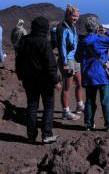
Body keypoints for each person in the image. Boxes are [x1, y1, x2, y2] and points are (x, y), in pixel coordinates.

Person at [16, 16, 61, 144]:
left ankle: (31, 135)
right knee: (48, 106)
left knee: (32, 106)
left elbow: (18, 61)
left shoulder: (24, 40)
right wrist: (56, 81)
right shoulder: (44, 42)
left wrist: (21, 75)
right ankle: (47, 134)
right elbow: (50, 64)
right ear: (45, 28)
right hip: (44, 81)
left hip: (28, 80)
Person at [79, 16, 109, 132]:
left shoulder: (82, 42)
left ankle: (88, 125)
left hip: (87, 74)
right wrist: (108, 32)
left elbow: (77, 58)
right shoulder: (100, 40)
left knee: (89, 100)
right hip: (101, 74)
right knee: (105, 99)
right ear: (97, 28)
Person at [57, 4, 84, 120]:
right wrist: (64, 63)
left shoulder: (73, 26)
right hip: (67, 59)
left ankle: (80, 105)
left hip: (75, 58)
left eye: (77, 16)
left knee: (79, 82)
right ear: (68, 14)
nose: (76, 18)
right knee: (67, 86)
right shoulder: (62, 28)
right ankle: (66, 111)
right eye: (74, 16)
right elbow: (62, 46)